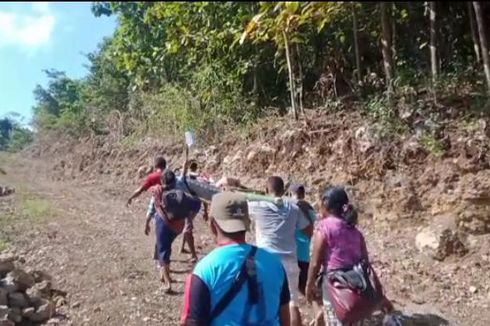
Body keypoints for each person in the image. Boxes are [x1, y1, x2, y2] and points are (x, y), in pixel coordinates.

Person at [181, 192, 291, 326]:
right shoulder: (275, 264)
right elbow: (285, 318)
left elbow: (193, 322)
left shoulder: (204, 270)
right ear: (247, 224)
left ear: (212, 224)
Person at [305, 186, 393, 325]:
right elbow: (366, 264)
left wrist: (309, 285)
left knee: (335, 320)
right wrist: (379, 295)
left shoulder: (325, 227)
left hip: (335, 286)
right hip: (358, 289)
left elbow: (315, 262)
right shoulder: (356, 232)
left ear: (326, 204)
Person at [248, 176, 313, 326]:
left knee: (265, 302)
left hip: (266, 261)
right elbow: (308, 230)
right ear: (284, 191)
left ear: (265, 190)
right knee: (292, 303)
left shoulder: (257, 205)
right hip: (289, 261)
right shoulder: (294, 208)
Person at [151, 170, 202, 293]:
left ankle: (168, 283)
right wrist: (189, 216)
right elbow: (197, 203)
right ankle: (163, 275)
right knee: (163, 248)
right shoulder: (182, 195)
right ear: (174, 182)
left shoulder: (158, 191)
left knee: (163, 251)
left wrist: (148, 221)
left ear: (162, 181)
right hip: (177, 227)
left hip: (162, 223)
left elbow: (154, 205)